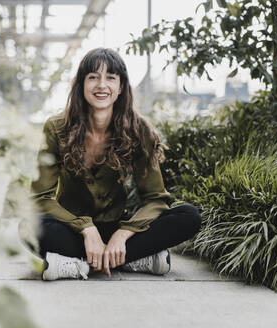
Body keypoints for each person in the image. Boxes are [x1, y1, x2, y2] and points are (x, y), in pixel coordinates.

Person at [19, 48, 201, 281]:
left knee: (188, 216)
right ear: (81, 84)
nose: (101, 85)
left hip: (117, 226)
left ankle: (79, 264)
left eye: (110, 78)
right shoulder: (56, 128)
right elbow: (40, 198)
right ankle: (130, 260)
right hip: (72, 230)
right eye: (93, 77)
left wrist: (124, 234)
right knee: (29, 226)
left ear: (121, 87)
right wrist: (85, 228)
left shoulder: (139, 129)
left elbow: (156, 199)